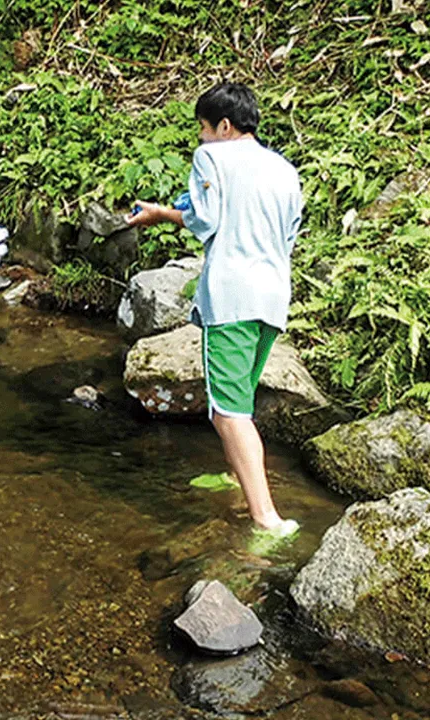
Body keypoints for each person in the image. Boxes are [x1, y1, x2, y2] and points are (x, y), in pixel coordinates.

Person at [127, 82, 303, 554]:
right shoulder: (284, 169)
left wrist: (162, 215)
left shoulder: (212, 159)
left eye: (204, 130)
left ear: (223, 126)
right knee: (240, 395)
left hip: (232, 298)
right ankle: (235, 476)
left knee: (228, 412)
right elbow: (288, 232)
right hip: (272, 295)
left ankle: (266, 519)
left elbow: (206, 219)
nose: (201, 140)